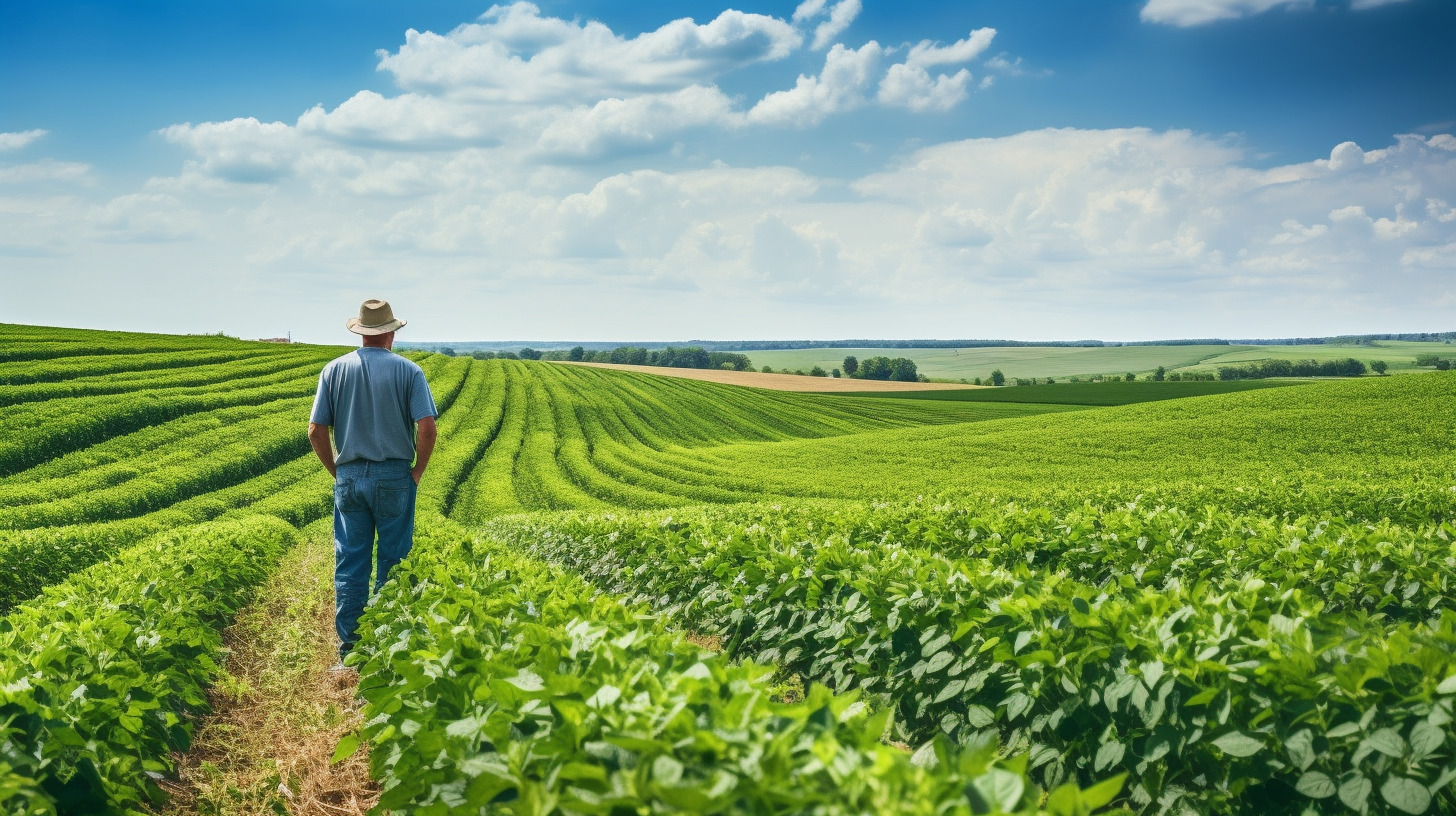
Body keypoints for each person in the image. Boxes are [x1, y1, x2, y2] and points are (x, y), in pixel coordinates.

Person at [307, 299, 438, 666]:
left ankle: (350, 652)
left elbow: (316, 430)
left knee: (350, 563)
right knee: (394, 562)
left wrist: (339, 472)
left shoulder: (333, 370)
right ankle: (387, 645)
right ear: (391, 333)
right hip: (394, 476)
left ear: (361, 333)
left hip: (349, 477)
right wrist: (416, 473)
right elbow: (427, 428)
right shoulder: (409, 372)